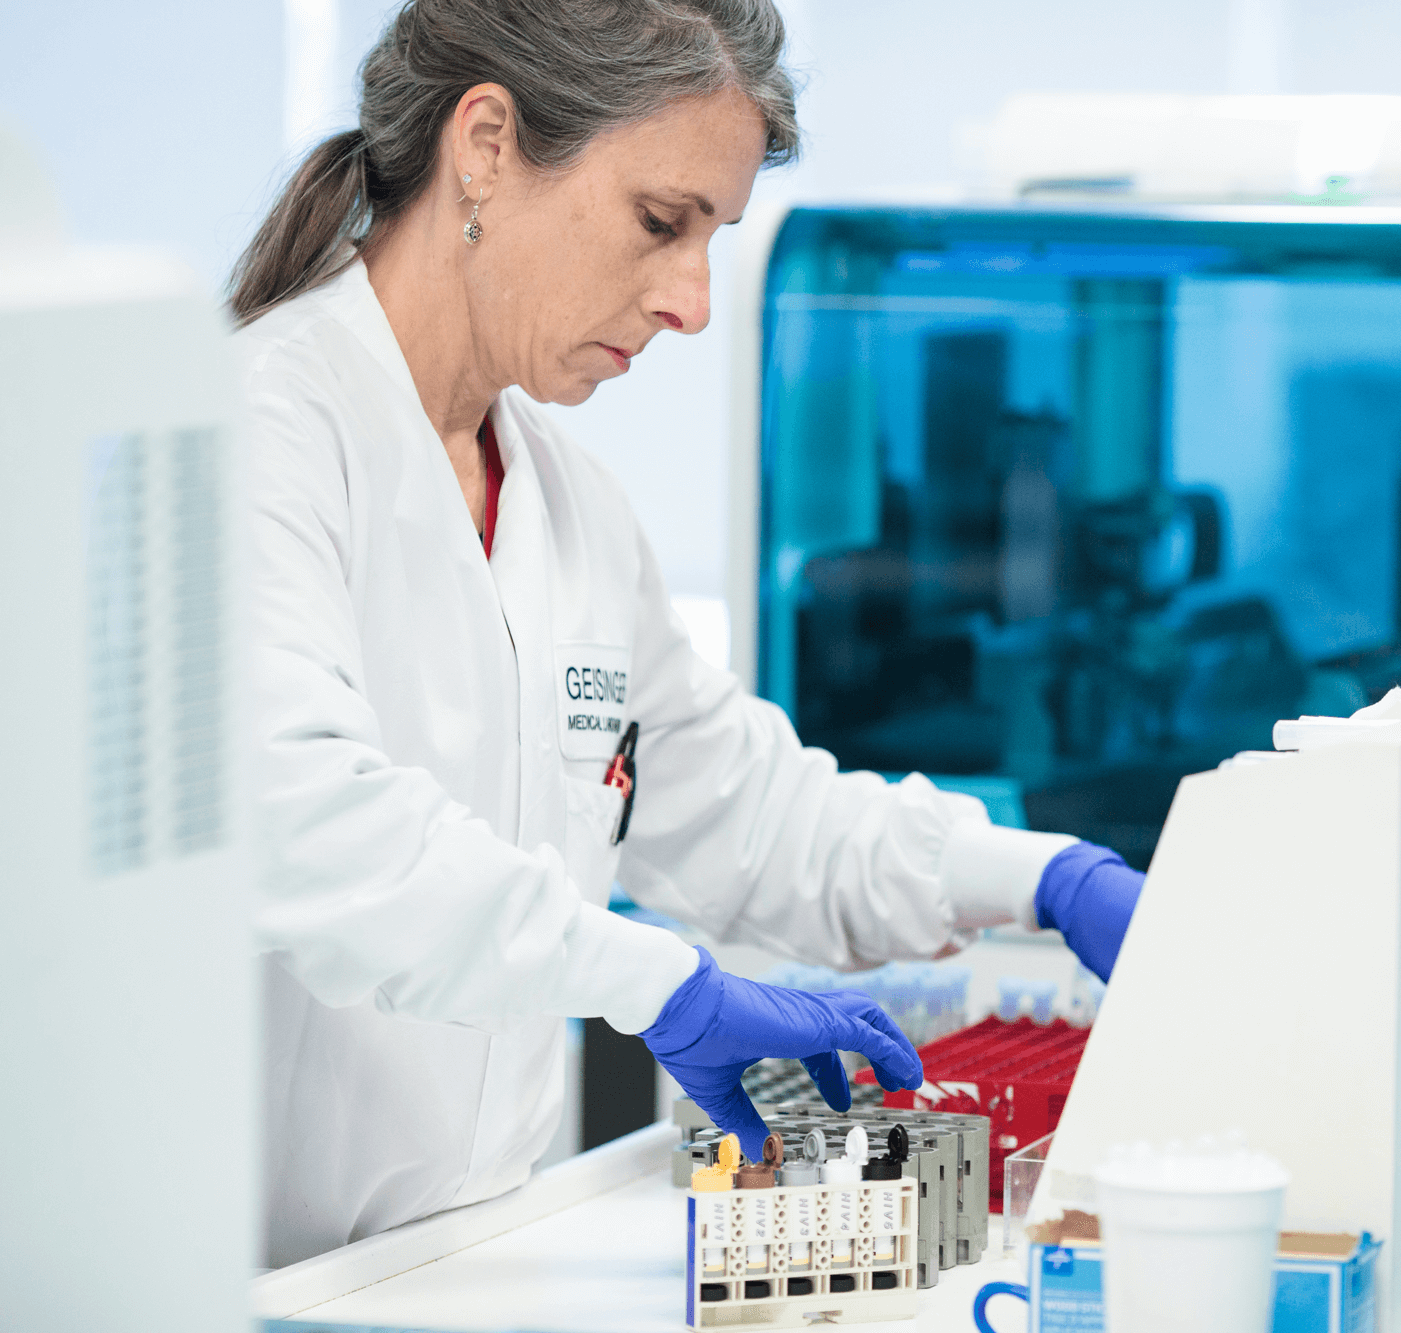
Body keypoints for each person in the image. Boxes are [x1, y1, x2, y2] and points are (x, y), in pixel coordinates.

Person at [231, 0, 1144, 1269]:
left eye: (712, 238)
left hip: (462, 1263)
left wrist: (1041, 877)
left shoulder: (566, 503)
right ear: (486, 143)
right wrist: (663, 986)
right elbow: (313, 825)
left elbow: (750, 819)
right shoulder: (254, 431)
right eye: (662, 223)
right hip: (240, 1281)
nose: (693, 303)